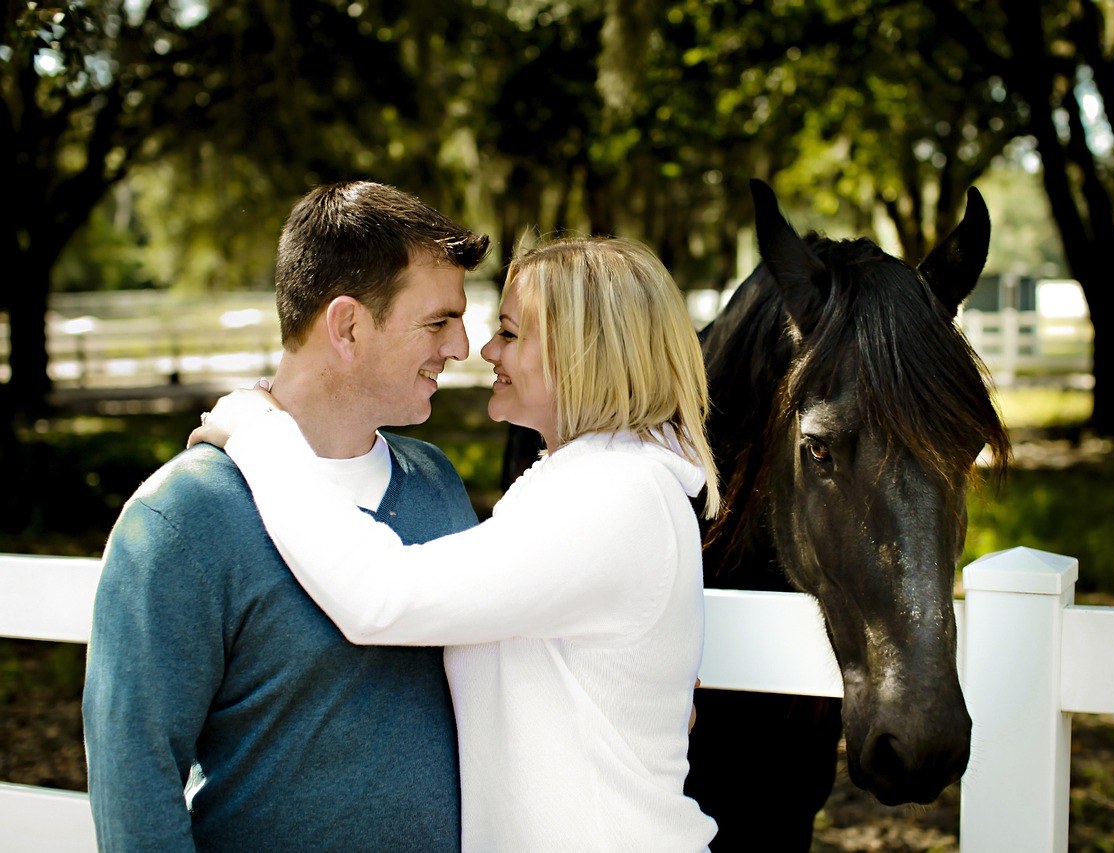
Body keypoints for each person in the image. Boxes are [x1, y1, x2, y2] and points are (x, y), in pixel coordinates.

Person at [190, 236, 722, 850]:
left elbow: (382, 598)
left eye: (512, 334)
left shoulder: (615, 495)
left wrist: (262, 436)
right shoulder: (586, 481)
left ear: (587, 356)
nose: (485, 350)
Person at [82, 181, 490, 851]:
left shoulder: (437, 484)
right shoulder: (182, 517)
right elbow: (135, 782)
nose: (462, 346)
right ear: (348, 326)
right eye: (439, 321)